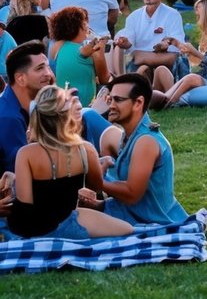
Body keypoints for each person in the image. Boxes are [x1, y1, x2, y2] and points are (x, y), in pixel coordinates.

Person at [6, 85, 131, 240]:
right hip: (66, 222)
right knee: (129, 230)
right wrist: (101, 165)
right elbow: (97, 187)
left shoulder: (26, 153)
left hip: (30, 227)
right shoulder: (85, 150)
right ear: (67, 117)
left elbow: (25, 207)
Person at [84, 72, 188, 226]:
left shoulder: (146, 141)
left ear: (138, 103)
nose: (111, 105)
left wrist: (98, 181)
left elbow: (132, 194)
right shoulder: (129, 136)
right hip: (132, 215)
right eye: (110, 99)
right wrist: (99, 205)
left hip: (153, 222)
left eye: (118, 100)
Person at [111, 0, 186, 85]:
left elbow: (178, 46)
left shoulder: (173, 14)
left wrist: (165, 44)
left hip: (162, 58)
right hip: (142, 60)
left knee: (174, 58)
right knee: (141, 67)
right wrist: (125, 42)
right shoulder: (134, 16)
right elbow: (129, 41)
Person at [0, 41, 54, 178]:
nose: (48, 74)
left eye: (48, 67)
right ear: (20, 79)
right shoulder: (9, 118)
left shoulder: (19, 107)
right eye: (40, 68)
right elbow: (21, 173)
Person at [48, 7, 110, 108]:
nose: (87, 27)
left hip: (61, 105)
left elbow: (75, 65)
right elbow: (105, 79)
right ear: (75, 27)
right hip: (84, 107)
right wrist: (101, 52)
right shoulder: (93, 52)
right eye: (85, 23)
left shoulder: (56, 47)